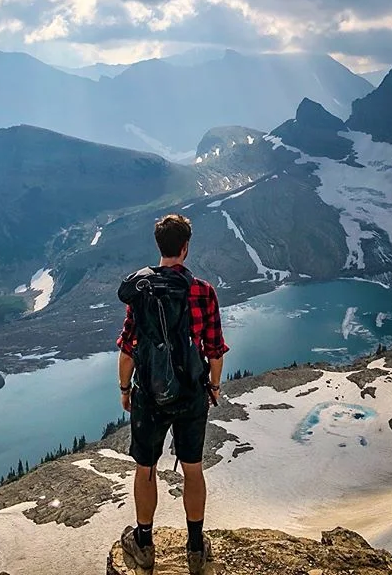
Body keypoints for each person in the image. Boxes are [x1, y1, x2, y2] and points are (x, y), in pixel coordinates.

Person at [116, 213, 228, 574]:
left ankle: (144, 544)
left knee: (146, 468)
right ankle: (195, 549)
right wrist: (212, 387)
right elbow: (214, 349)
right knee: (192, 469)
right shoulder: (203, 291)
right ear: (185, 247)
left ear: (159, 246)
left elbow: (128, 348)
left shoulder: (142, 290)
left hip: (150, 394)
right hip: (191, 393)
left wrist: (125, 389)